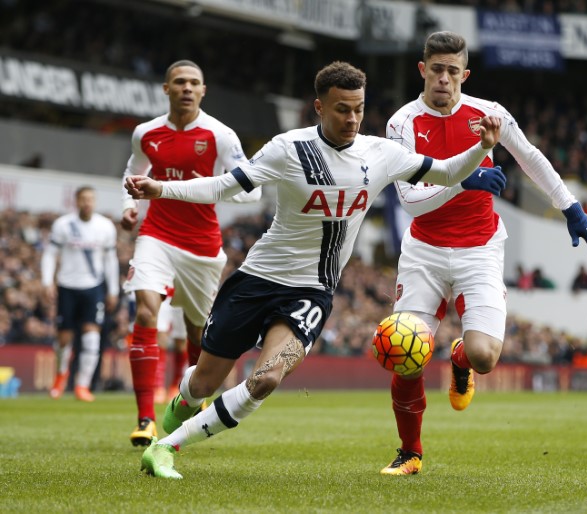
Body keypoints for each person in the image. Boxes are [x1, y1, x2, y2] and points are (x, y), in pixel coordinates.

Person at [126, 61, 504, 479]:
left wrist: (482, 148)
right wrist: (161, 188)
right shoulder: (287, 148)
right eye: (342, 109)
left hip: (312, 292)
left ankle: (165, 449)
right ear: (319, 107)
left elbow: (448, 172)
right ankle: (183, 403)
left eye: (359, 109)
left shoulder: (381, 153)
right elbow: (224, 186)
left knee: (267, 378)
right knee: (203, 384)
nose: (352, 119)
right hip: (257, 280)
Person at [381, 31, 587, 475]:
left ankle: (461, 359)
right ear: (422, 70)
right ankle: (410, 453)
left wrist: (571, 208)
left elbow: (530, 158)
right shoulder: (402, 123)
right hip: (424, 252)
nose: (444, 79)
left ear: (464, 74)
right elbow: (409, 200)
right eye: (436, 69)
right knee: (406, 355)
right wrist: (462, 181)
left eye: (452, 71)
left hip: (480, 250)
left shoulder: (489, 113)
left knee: (485, 356)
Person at [121, 59, 262, 446]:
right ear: (166, 89)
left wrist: (210, 185)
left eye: (194, 83)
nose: (186, 88)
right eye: (179, 82)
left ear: (203, 91)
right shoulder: (145, 133)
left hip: (201, 245)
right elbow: (133, 171)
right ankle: (146, 418)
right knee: (147, 311)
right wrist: (128, 205)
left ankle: (189, 401)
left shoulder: (220, 135)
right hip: (156, 234)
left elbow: (252, 188)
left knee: (196, 330)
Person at [41, 186, 119, 402]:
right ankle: (61, 375)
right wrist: (48, 282)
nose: (87, 203)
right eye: (83, 199)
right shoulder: (63, 225)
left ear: (95, 202)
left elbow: (110, 260)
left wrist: (112, 290)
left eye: (90, 199)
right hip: (67, 286)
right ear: (76, 201)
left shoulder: (105, 227)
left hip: (93, 287)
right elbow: (50, 254)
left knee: (92, 337)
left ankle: (82, 385)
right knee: (64, 338)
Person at [153, 292, 188, 404]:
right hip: (164, 292)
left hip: (182, 293)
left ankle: (175, 385)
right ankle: (159, 387)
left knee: (181, 341)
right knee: (160, 337)